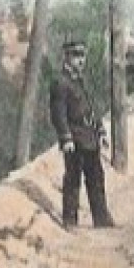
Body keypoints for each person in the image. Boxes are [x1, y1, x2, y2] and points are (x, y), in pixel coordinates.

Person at [48, 41, 115, 230]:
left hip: (90, 138)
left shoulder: (80, 81)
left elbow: (90, 110)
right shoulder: (60, 82)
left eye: (82, 56)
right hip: (74, 138)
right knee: (73, 179)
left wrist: (100, 131)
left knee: (96, 178)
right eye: (76, 56)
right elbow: (58, 113)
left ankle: (101, 218)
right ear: (67, 57)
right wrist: (65, 137)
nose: (81, 61)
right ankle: (70, 220)